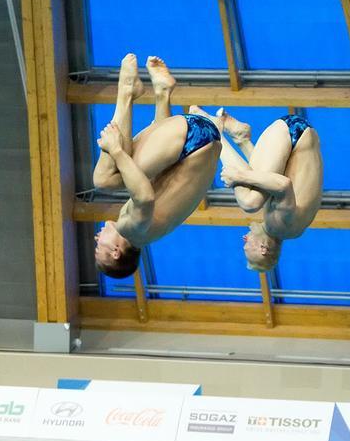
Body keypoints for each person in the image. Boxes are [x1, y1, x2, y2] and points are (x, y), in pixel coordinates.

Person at [92, 54, 221, 279]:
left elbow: (159, 171)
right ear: (115, 252)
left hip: (201, 139)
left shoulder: (150, 232)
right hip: (192, 141)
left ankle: (162, 93)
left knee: (130, 170)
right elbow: (144, 197)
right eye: (98, 247)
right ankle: (127, 92)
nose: (96, 238)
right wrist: (116, 151)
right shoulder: (131, 230)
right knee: (105, 179)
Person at [187, 106, 323, 271]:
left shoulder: (289, 230)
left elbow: (268, 178)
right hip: (292, 133)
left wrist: (245, 147)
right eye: (247, 246)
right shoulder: (281, 226)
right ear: (263, 249)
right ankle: (214, 132)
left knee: (256, 194)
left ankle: (241, 137)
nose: (244, 238)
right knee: (249, 202)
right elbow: (283, 185)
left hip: (298, 136)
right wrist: (238, 177)